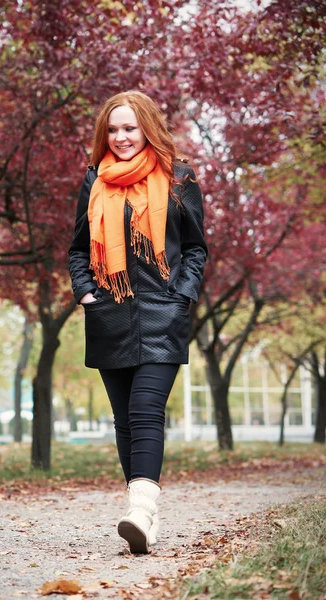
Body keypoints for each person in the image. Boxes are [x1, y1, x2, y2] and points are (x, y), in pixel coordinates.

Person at [68, 90, 207, 554]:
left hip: (163, 310)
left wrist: (182, 295)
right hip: (109, 312)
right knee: (124, 421)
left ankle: (141, 511)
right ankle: (143, 517)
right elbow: (77, 248)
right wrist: (86, 292)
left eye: (130, 128)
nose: (122, 137)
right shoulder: (94, 179)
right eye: (113, 129)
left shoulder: (179, 177)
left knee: (146, 409)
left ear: (147, 126)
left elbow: (194, 247)